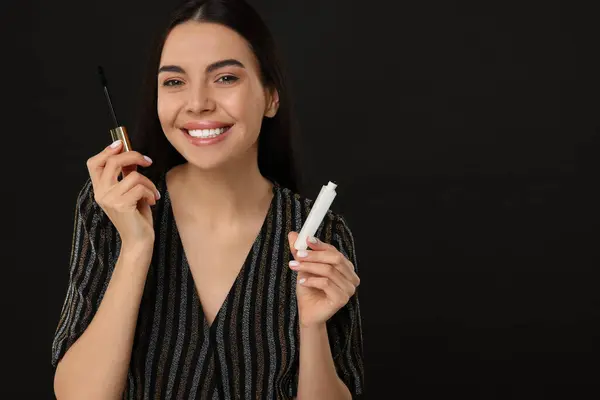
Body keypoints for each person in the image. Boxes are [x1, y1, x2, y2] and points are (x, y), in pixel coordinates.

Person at [51, 0, 364, 398]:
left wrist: (312, 325)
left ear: (271, 96)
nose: (197, 103)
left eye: (226, 78)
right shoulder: (113, 208)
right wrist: (135, 247)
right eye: (175, 82)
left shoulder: (320, 232)